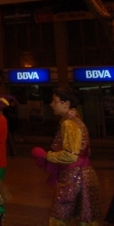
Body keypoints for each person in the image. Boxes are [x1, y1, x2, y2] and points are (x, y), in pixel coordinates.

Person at [32, 88, 101, 226]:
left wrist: (46, 155)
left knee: (60, 217)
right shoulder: (75, 121)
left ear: (66, 104)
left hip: (74, 178)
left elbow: (70, 156)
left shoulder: (69, 123)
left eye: (55, 101)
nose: (51, 104)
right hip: (81, 176)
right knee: (85, 217)